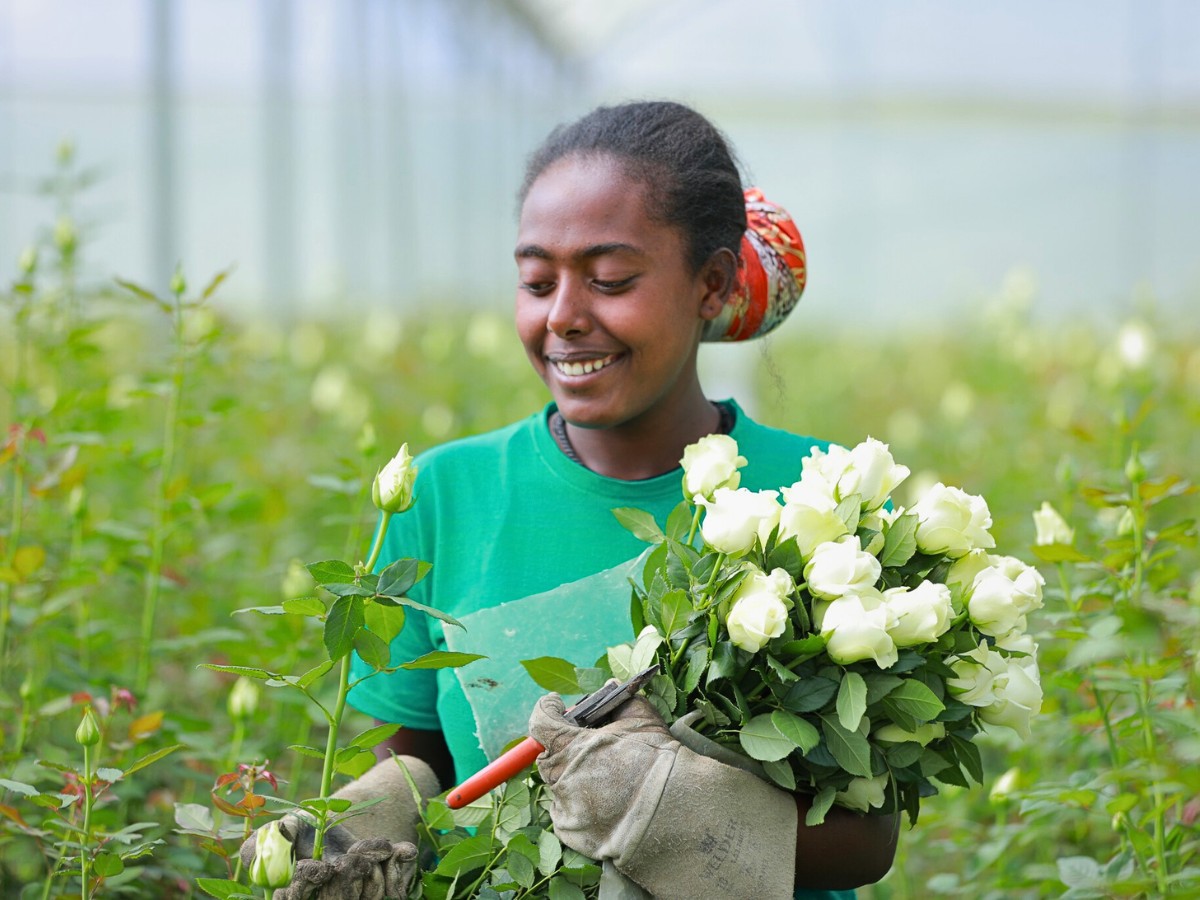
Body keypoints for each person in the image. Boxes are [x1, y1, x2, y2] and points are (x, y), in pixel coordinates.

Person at [250, 100, 899, 899]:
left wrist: (676, 813)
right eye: (535, 279)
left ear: (712, 282)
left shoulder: (825, 498)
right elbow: (412, 755)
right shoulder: (442, 495)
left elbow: (867, 837)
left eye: (610, 280)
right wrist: (375, 817)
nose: (562, 316)